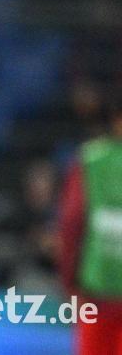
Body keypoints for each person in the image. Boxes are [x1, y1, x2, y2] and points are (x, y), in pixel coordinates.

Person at [59, 100, 122, 355]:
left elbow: (71, 225)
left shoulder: (90, 159)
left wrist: (69, 283)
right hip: (97, 294)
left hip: (96, 289)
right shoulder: (89, 160)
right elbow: (71, 225)